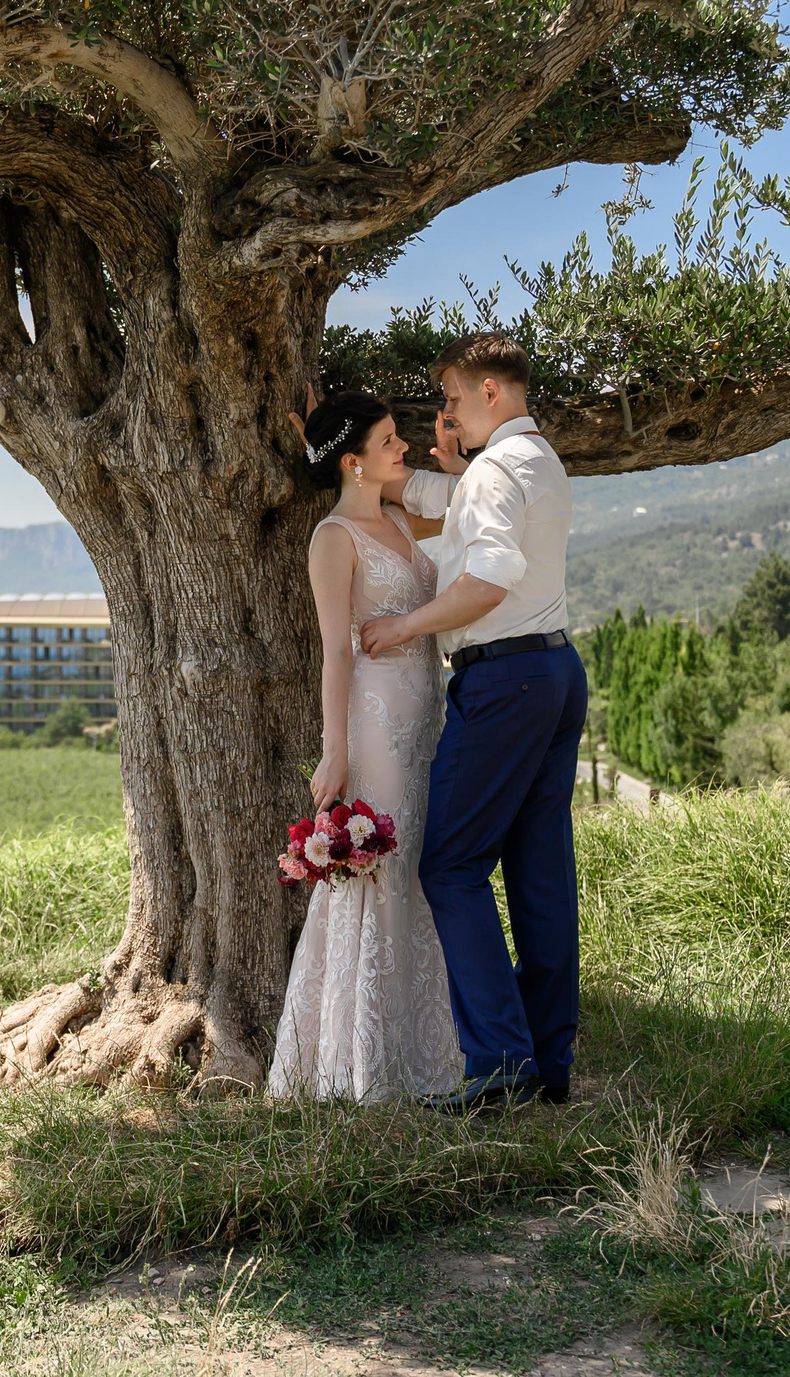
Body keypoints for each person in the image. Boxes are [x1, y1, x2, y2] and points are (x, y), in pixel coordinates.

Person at [362, 333, 586, 1110]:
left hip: (504, 682)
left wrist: (404, 625)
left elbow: (487, 580)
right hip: (555, 670)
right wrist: (448, 469)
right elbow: (442, 500)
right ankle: (549, 1057)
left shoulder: (494, 470)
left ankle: (500, 1058)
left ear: (490, 390)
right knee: (539, 870)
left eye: (454, 397)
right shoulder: (537, 459)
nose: (447, 414)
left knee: (450, 863)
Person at [266, 390, 466, 1102]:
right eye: (387, 441)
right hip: (375, 724)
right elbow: (335, 653)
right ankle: (358, 1060)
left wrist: (454, 460)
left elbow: (467, 504)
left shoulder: (401, 517)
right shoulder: (333, 538)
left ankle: (427, 1046)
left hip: (426, 715)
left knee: (419, 868)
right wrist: (335, 751)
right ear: (353, 462)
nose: (402, 447)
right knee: (380, 871)